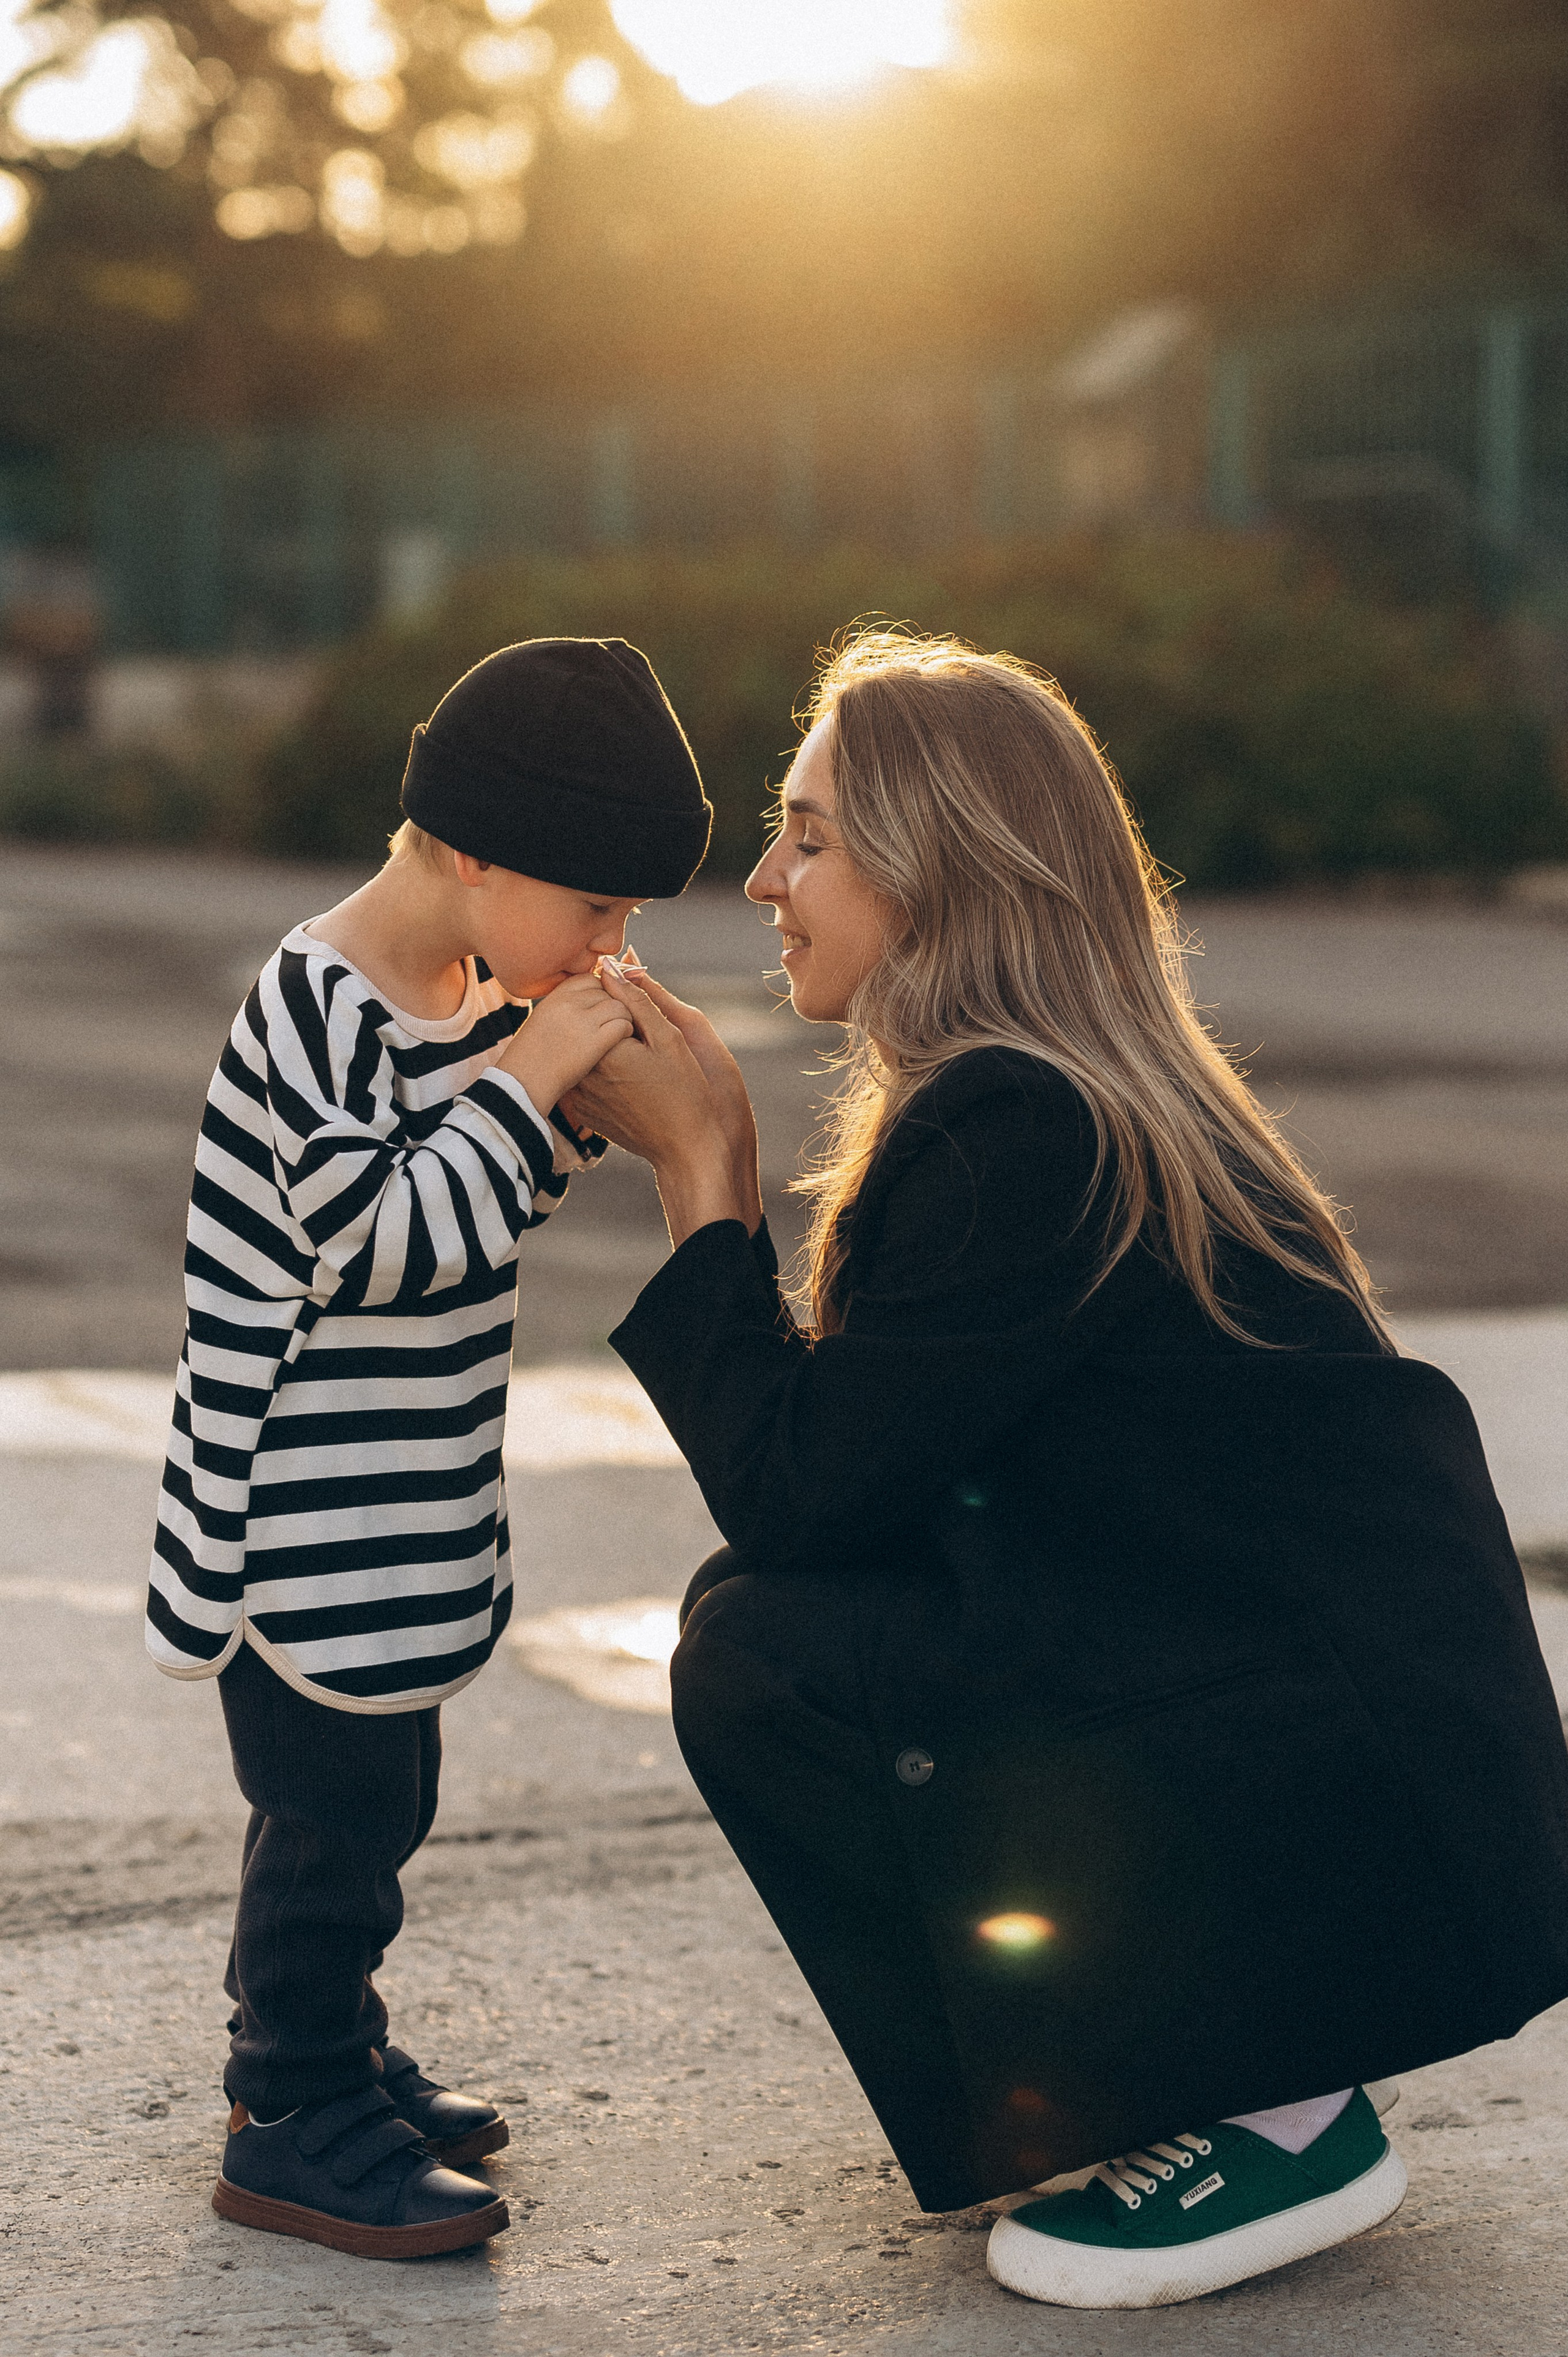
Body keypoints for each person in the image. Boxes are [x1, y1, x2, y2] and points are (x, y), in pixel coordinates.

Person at [567, 628, 1568, 2310]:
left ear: (940, 868)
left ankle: (1273, 2111)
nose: (760, 880)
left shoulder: (1025, 1125)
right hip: (1356, 1773)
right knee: (785, 1619)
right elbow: (862, 1498)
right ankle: (1157, 2085)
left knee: (770, 1652)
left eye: (809, 834)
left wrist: (707, 1181)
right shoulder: (1058, 1102)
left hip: (1342, 1794)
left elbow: (805, 1492)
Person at [144, 637, 710, 2260]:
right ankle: (289, 2109)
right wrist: (536, 1072)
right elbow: (380, 1239)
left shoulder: (461, 992)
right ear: (469, 848)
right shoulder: (312, 1002)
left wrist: (568, 1111)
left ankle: (334, 2047)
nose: (611, 946)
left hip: (400, 1507)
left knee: (380, 1803)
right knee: (329, 1819)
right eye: (595, 909)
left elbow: (475, 1208)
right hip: (302, 1527)